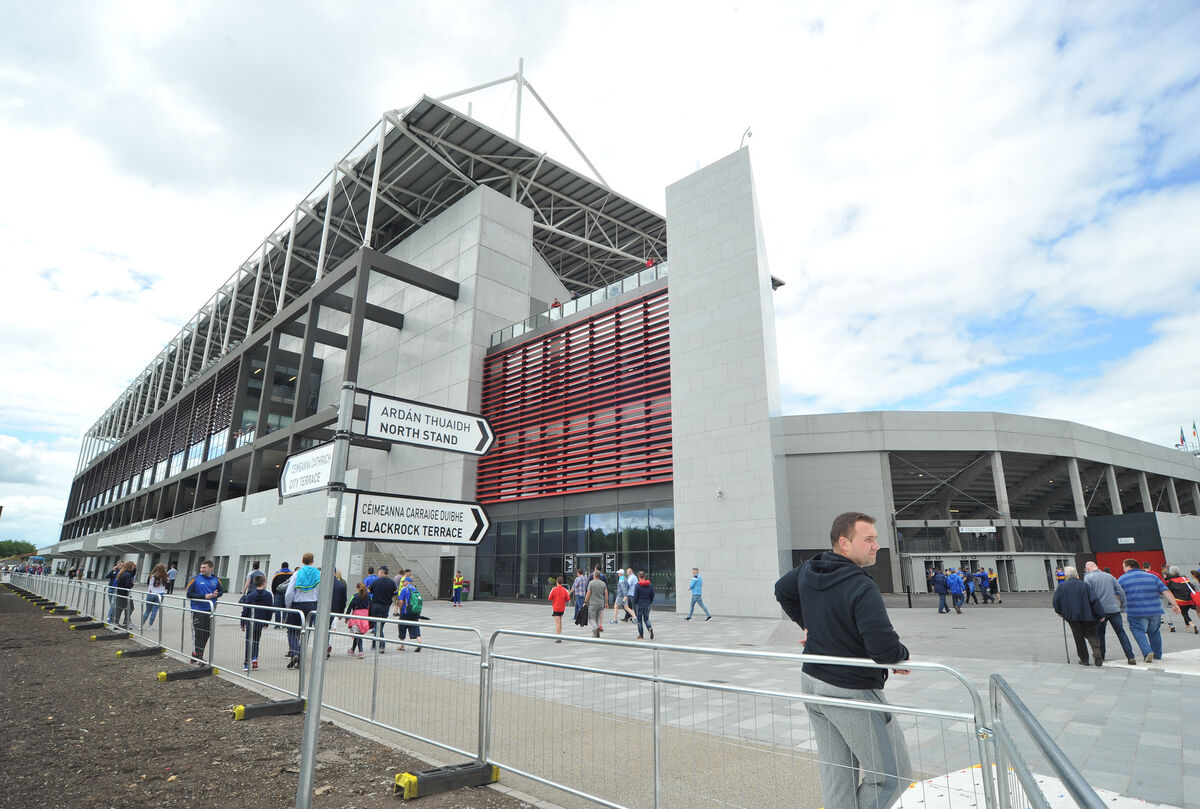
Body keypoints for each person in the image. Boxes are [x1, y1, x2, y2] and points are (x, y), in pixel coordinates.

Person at [774, 512, 912, 809]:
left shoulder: (811, 568)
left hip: (812, 683)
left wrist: (809, 627)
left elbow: (781, 590)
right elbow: (884, 649)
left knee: (839, 775)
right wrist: (902, 656)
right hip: (851, 689)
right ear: (844, 542)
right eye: (869, 539)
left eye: (876, 538)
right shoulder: (862, 586)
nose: (876, 545)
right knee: (894, 777)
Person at [1119, 558, 1182, 662]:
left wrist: (1120, 607)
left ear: (1129, 567)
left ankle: (1147, 652)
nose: (1123, 569)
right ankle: (1157, 654)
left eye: (1124, 567)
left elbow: (1117, 594)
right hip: (1155, 610)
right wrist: (1175, 605)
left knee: (1137, 630)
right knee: (1154, 631)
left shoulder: (1122, 579)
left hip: (1136, 611)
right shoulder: (1153, 576)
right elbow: (1166, 591)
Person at [1083, 561, 1136, 665]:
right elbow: (1120, 591)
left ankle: (1101, 655)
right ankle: (1130, 656)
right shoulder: (1109, 576)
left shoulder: (1088, 578)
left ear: (1087, 568)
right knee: (1121, 633)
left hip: (1099, 612)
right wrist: (1123, 606)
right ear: (1097, 567)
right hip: (1114, 610)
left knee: (1100, 634)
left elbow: (1088, 595)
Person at [1052, 566, 1104, 666]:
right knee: (1091, 634)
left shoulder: (1062, 587)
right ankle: (1097, 652)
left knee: (1078, 637)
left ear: (1066, 575)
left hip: (1072, 616)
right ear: (1076, 574)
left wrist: (1059, 612)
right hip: (1087, 614)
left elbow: (1056, 601)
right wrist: (1100, 614)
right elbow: (1094, 600)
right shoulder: (1084, 585)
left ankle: (1084, 659)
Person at [284, 552, 320, 669]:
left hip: (297, 605)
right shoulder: (318, 574)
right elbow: (321, 591)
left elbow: (289, 592)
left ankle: (294, 652)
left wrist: (289, 606)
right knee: (306, 632)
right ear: (312, 561)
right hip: (312, 605)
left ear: (302, 561)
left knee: (292, 630)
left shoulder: (297, 573)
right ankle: (301, 656)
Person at [185, 560, 224, 665]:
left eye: (204, 568)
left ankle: (196, 654)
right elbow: (188, 594)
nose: (202, 569)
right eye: (201, 567)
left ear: (211, 568)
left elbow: (221, 591)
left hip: (210, 610)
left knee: (207, 633)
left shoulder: (216, 580)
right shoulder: (195, 579)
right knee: (198, 633)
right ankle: (199, 656)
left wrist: (216, 594)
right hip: (198, 610)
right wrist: (204, 596)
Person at [239, 573, 274, 671]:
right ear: (264, 583)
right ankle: (254, 658)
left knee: (248, 641)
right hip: (260, 620)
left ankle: (246, 663)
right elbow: (269, 609)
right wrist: (267, 621)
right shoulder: (268, 595)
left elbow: (245, 609)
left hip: (250, 621)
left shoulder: (250, 595)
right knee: (256, 640)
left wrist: (242, 622)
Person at [368, 565, 397, 653]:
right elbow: (395, 594)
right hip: (386, 607)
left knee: (377, 627)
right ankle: (374, 644)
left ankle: (382, 645)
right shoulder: (392, 583)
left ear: (381, 572)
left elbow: (369, 592)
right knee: (380, 626)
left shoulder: (375, 582)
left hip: (376, 606)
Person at [1164, 567, 1198, 633]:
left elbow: (1169, 591)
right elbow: (1192, 587)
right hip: (1189, 599)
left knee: (1184, 613)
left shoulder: (1171, 581)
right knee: (1186, 612)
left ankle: (1192, 624)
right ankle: (1187, 628)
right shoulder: (1184, 579)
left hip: (1180, 600)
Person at [345, 582, 372, 658]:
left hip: (356, 617)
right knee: (358, 634)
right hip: (365, 617)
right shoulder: (369, 596)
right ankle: (352, 649)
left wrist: (346, 617)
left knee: (357, 635)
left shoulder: (354, 596)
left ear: (357, 588)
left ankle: (361, 651)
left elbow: (349, 607)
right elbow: (371, 607)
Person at [397, 576, 423, 652]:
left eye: (403, 582)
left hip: (406, 612)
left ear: (407, 582)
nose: (403, 583)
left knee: (402, 626)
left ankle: (402, 645)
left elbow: (401, 601)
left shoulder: (404, 590)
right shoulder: (416, 590)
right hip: (415, 612)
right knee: (415, 626)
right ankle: (420, 642)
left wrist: (401, 610)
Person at [141, 563, 169, 631]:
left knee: (147, 610)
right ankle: (150, 626)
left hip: (151, 593)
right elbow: (168, 584)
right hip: (160, 594)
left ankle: (141, 625)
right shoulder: (165, 577)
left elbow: (148, 583)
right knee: (154, 611)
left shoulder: (151, 576)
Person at [585, 571, 608, 638]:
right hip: (601, 603)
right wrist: (606, 602)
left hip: (593, 603)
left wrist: (585, 601)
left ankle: (595, 628)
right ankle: (596, 634)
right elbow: (606, 594)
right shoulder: (603, 583)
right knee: (597, 618)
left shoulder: (591, 583)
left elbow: (588, 593)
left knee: (591, 618)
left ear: (595, 576)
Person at [114, 561, 137, 629]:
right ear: (130, 566)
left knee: (121, 608)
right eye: (133, 566)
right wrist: (132, 584)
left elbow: (132, 574)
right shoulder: (127, 574)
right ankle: (122, 622)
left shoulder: (123, 572)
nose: (133, 567)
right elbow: (128, 584)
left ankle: (119, 622)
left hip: (121, 593)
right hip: (124, 593)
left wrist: (135, 569)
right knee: (130, 607)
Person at [633, 570, 654, 640]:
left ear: (638, 577)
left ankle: (641, 635)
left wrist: (635, 603)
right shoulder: (650, 585)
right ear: (644, 576)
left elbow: (635, 596)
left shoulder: (637, 586)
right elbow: (652, 595)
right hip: (647, 603)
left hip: (639, 604)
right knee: (646, 619)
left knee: (639, 620)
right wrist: (650, 602)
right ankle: (649, 628)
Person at [270, 562, 292, 627]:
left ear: (282, 566)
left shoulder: (277, 574)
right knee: (285, 609)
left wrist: (274, 593)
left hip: (278, 594)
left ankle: (277, 624)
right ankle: (284, 623)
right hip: (287, 594)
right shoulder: (292, 574)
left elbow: (273, 584)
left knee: (277, 609)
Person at [548, 576, 570, 641]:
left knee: (557, 622)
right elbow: (568, 599)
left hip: (556, 607)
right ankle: (560, 634)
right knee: (560, 621)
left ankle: (558, 636)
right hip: (562, 608)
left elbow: (550, 598)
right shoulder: (565, 590)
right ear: (562, 582)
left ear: (557, 582)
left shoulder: (554, 589)